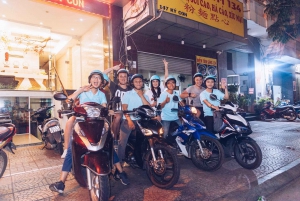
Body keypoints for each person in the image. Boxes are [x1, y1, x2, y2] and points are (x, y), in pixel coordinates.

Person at [49, 70, 129, 194]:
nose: (96, 80)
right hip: (82, 123)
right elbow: (68, 100)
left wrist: (108, 111)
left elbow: (103, 107)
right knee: (72, 148)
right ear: (90, 79)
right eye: (94, 78)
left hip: (97, 123)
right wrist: (80, 90)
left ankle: (121, 172)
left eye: (98, 78)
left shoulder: (102, 95)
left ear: (102, 82)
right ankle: (61, 182)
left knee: (108, 145)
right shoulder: (83, 91)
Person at [118, 74, 150, 161]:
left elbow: (148, 107)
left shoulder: (145, 96)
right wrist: (129, 120)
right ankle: (119, 164)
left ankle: (140, 159)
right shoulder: (128, 94)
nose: (138, 83)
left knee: (144, 141)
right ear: (133, 83)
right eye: (136, 81)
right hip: (127, 120)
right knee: (122, 143)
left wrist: (141, 96)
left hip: (141, 121)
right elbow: (124, 108)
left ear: (142, 83)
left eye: (140, 81)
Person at [103, 65, 132, 140]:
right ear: (118, 78)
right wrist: (112, 68)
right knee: (118, 116)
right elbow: (102, 75)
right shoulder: (114, 86)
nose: (123, 78)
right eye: (121, 76)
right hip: (117, 111)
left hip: (128, 111)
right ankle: (114, 138)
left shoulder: (131, 89)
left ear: (127, 78)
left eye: (125, 76)